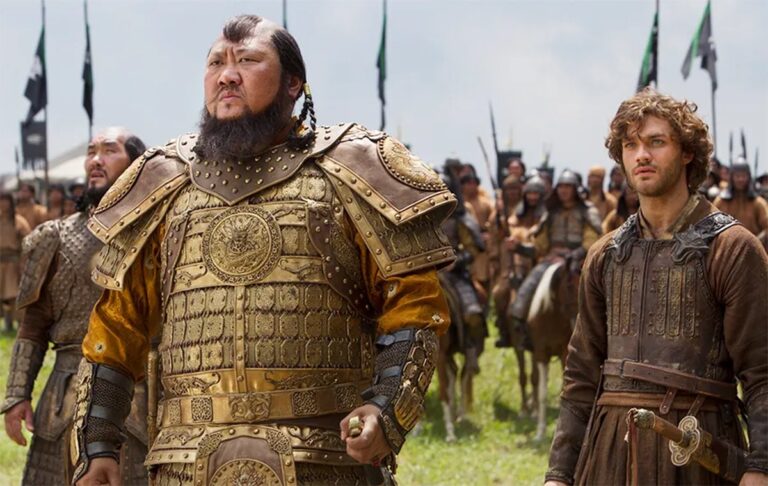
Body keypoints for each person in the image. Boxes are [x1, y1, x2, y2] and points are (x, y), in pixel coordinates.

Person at [72, 15, 453, 485]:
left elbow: (413, 307)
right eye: (216, 63)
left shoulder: (351, 167)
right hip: (185, 465)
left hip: (327, 462)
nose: (227, 75)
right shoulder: (164, 181)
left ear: (293, 83)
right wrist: (97, 443)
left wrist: (385, 410)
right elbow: (117, 325)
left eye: (248, 61)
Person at [545, 89, 768, 486]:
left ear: (687, 153)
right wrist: (559, 475)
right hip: (610, 454)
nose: (642, 155)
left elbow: (762, 370)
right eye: (630, 145)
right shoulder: (605, 255)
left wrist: (761, 466)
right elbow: (581, 375)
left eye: (656, 142)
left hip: (697, 453)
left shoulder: (733, 249)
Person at [1, 128, 150, 485]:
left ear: (137, 163)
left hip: (142, 399)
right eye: (91, 151)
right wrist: (17, 395)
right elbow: (33, 326)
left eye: (109, 150)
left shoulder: (159, 232)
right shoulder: (55, 237)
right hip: (65, 396)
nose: (95, 160)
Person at [506, 170, 601, 350]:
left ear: (575, 189)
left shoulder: (588, 211)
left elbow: (592, 241)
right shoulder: (551, 212)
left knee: (597, 296)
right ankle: (524, 331)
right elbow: (539, 247)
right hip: (550, 260)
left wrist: (575, 254)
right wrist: (518, 247)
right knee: (523, 297)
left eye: (568, 187)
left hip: (580, 262)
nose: (564, 190)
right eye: (561, 186)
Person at [493, 176, 546, 348]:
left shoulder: (545, 217)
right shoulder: (516, 216)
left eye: (536, 194)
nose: (532, 197)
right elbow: (505, 231)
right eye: (529, 193)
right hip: (515, 265)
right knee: (499, 293)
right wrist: (500, 219)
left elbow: (540, 242)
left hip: (537, 263)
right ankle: (504, 331)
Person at [713, 158, 768, 250]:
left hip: (752, 251)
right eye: (737, 176)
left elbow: (767, 227)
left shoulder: (758, 203)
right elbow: (711, 226)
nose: (740, 179)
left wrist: (754, 242)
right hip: (727, 249)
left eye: (743, 176)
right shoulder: (721, 201)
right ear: (732, 177)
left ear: (748, 177)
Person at [0, 193, 31, 332]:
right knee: (3, 296)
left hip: (14, 263)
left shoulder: (19, 221)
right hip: (1, 262)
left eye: (5, 201)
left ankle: (20, 323)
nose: (3, 204)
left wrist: (23, 262)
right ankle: (7, 324)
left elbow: (28, 242)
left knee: (15, 296)